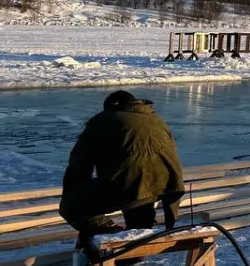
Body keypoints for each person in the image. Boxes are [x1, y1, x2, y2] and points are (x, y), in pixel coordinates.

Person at [59, 91, 185, 243]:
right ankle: (135, 248)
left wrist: (73, 192)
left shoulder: (102, 121)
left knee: (71, 207)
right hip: (164, 184)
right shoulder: (157, 120)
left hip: (129, 184)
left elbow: (79, 165)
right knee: (140, 217)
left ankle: (109, 234)